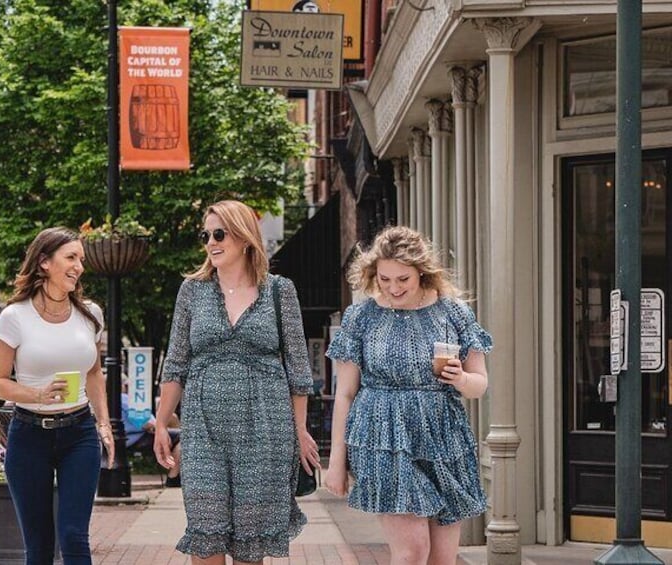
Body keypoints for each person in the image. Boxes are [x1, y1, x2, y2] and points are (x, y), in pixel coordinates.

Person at [153, 199, 320, 565]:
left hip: (265, 431)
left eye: (219, 233)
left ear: (244, 238)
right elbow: (176, 363)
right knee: (206, 538)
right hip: (204, 431)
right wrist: (163, 423)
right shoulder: (192, 292)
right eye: (205, 235)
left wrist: (300, 430)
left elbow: (297, 369)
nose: (211, 242)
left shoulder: (279, 291)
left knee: (249, 547)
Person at [324, 225, 492, 565]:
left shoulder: (454, 313)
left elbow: (480, 384)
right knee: (412, 552)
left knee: (442, 559)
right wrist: (336, 463)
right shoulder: (362, 317)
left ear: (422, 272)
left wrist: (460, 378)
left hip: (444, 438)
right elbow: (345, 393)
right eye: (385, 279)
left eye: (403, 279)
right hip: (383, 436)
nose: (393, 288)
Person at [0, 227, 115, 565]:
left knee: (74, 535)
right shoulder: (14, 317)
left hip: (79, 434)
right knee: (39, 545)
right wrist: (38, 393)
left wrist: (103, 423)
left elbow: (93, 372)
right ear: (44, 262)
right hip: (29, 435)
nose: (79, 266)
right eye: (71, 258)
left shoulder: (90, 314)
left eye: (81, 260)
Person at [121, 381, 182, 487]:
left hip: (129, 436)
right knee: (182, 436)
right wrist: (156, 427)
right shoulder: (123, 399)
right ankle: (173, 477)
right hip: (139, 436)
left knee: (173, 421)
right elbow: (142, 421)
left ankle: (175, 464)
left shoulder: (110, 399)